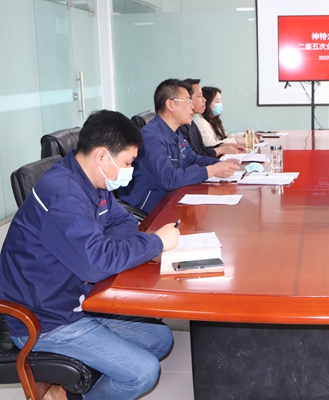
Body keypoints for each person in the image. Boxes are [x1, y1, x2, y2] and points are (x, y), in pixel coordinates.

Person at [0, 110, 181, 400]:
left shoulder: (92, 180)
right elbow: (96, 264)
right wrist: (154, 244)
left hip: (77, 301)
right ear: (102, 156)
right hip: (44, 320)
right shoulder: (65, 195)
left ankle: (66, 387)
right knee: (143, 372)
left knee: (160, 339)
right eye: (128, 162)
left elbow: (122, 221)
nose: (130, 170)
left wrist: (114, 247)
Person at [116, 79, 240, 213]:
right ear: (171, 104)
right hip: (152, 209)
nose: (192, 107)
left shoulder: (175, 132)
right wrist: (211, 171)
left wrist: (220, 164)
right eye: (187, 101)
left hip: (171, 200)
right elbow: (169, 179)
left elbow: (192, 159)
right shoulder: (151, 137)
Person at [178, 79, 245, 157]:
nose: (204, 100)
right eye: (200, 96)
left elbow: (202, 150)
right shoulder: (193, 124)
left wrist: (223, 147)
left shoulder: (192, 124)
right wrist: (221, 149)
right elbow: (194, 157)